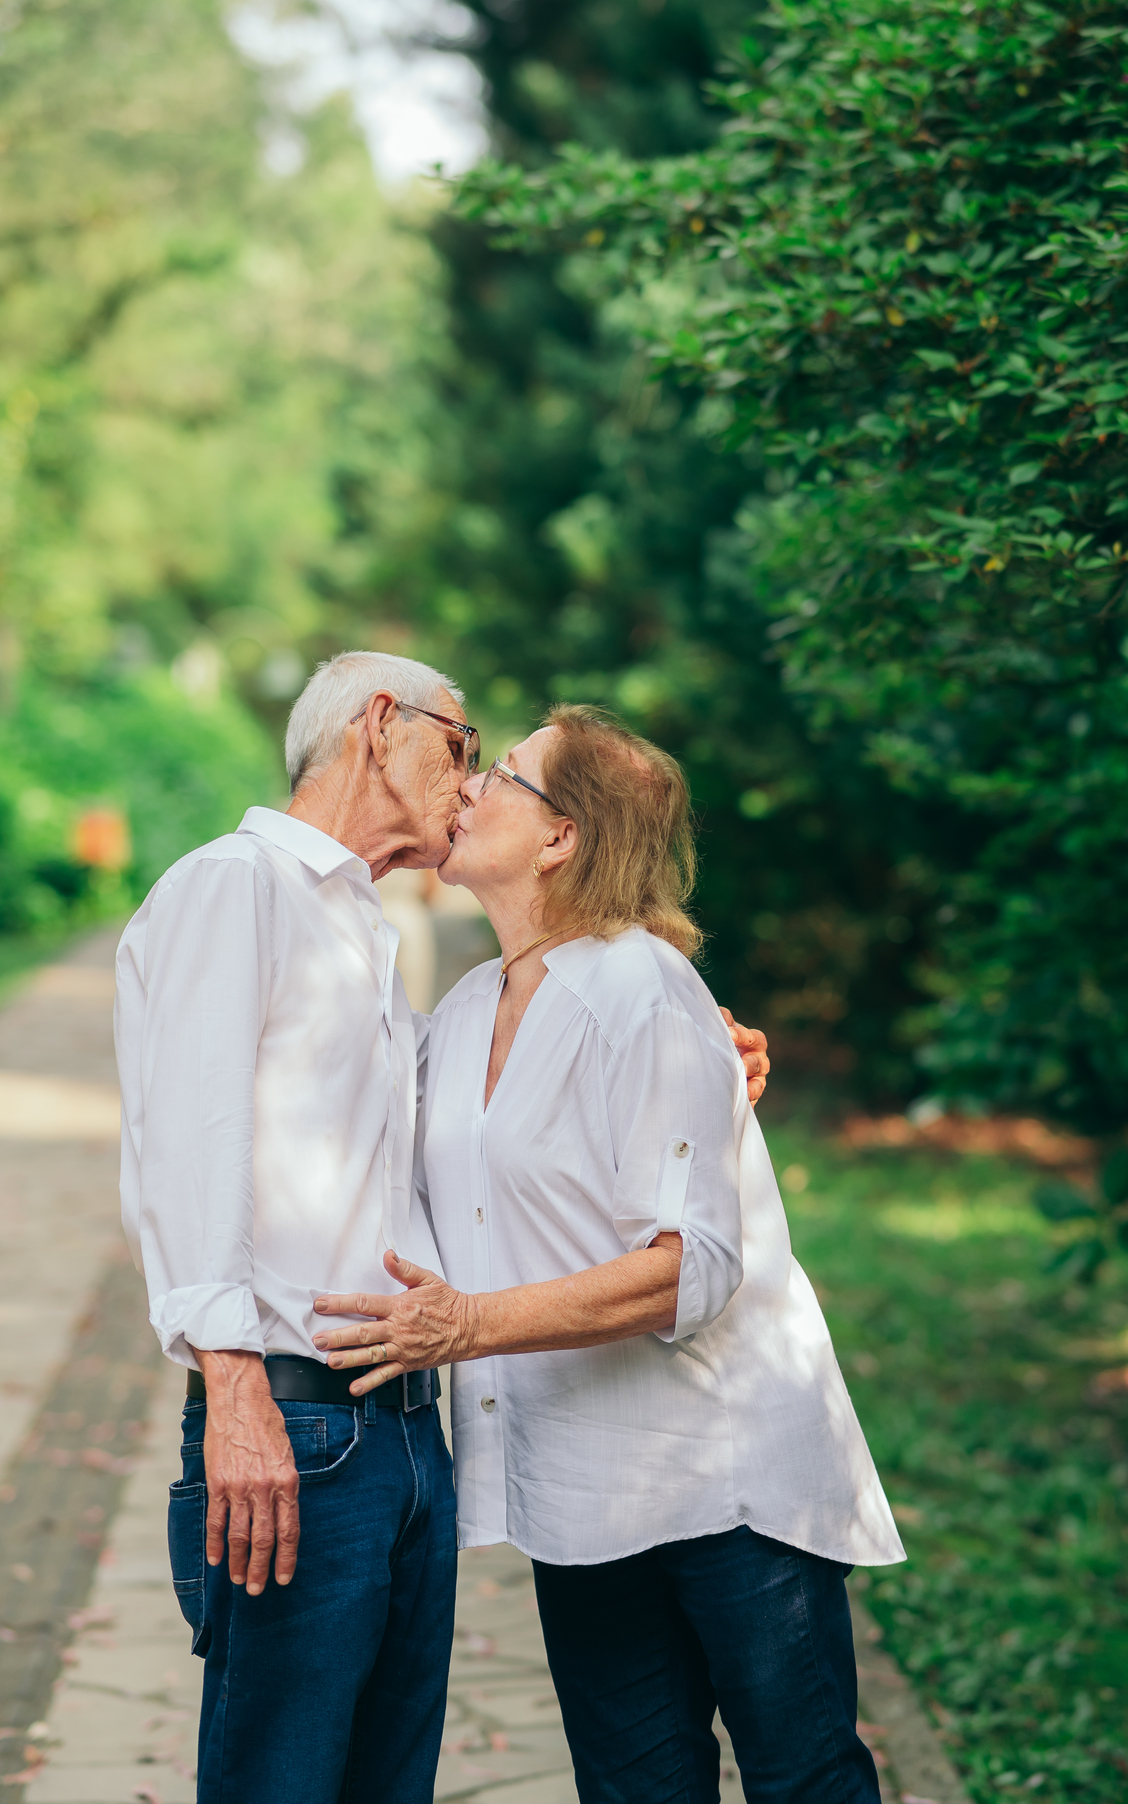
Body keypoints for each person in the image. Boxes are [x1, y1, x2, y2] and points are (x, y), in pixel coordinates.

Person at [116, 655, 768, 1804]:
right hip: (298, 1423)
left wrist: (696, 1055)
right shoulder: (239, 887)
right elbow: (189, 1142)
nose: (469, 783)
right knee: (282, 1777)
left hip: (410, 1435)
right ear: (380, 724)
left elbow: (472, 1123)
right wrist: (235, 1390)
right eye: (462, 747)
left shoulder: (360, 928)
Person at [313, 704, 905, 1804]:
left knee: (804, 1778)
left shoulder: (644, 988)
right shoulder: (464, 1010)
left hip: (724, 1477)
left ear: (561, 837)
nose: (473, 785)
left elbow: (694, 1264)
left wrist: (471, 1325)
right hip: (579, 1489)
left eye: (509, 776)